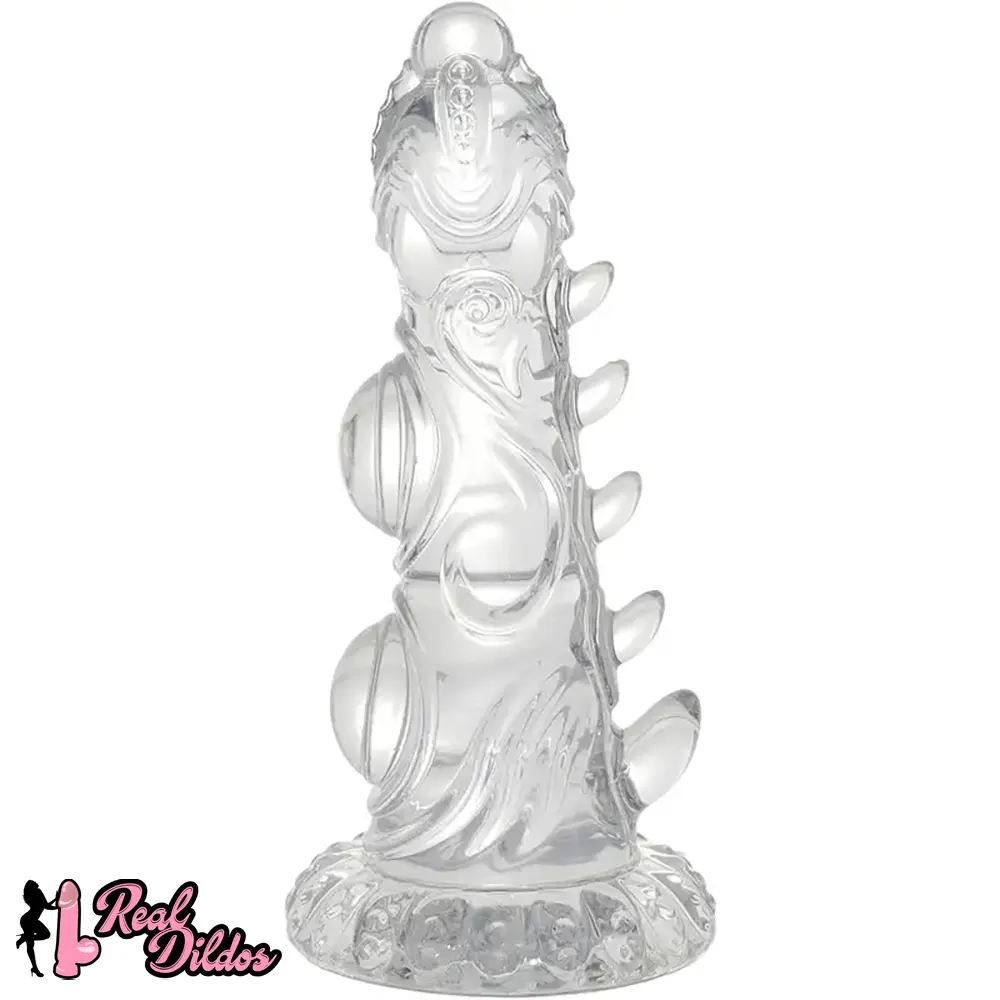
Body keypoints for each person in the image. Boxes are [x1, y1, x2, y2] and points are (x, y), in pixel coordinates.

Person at [16, 880, 57, 977]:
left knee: (45, 935)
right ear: (33, 888)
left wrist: (56, 900)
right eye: (36, 886)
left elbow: (45, 905)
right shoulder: (37, 893)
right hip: (28, 921)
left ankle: (25, 937)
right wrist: (57, 906)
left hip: (28, 920)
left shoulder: (33, 894)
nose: (38, 887)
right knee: (31, 945)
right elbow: (46, 906)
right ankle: (35, 968)